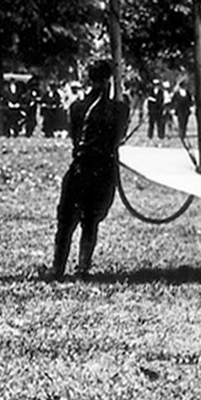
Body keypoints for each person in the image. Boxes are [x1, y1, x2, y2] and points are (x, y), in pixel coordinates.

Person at [51, 59, 130, 281]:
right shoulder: (120, 109)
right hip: (103, 172)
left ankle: (58, 269)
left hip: (79, 169)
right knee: (90, 222)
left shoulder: (77, 108)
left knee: (66, 222)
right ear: (109, 81)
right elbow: (118, 136)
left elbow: (76, 136)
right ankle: (82, 269)